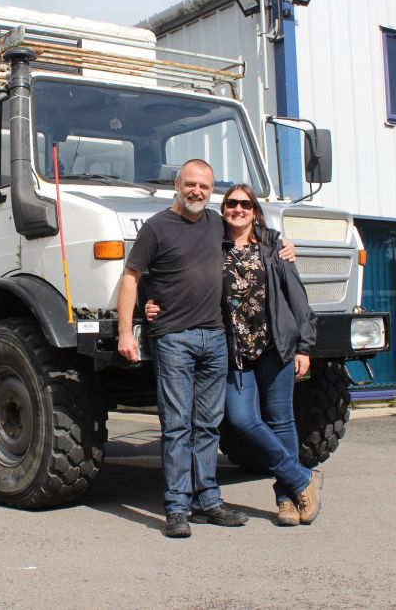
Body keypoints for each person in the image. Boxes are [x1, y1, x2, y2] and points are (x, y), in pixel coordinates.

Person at [147, 183, 322, 526]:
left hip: (274, 347)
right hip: (234, 352)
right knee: (241, 419)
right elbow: (174, 271)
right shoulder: (212, 243)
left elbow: (297, 297)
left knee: (281, 420)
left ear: (255, 211)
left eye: (245, 204)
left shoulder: (273, 246)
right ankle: (302, 477)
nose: (238, 209)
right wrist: (151, 300)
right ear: (223, 209)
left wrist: (305, 346)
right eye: (231, 203)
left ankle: (287, 499)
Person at [117, 158, 247, 538]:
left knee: (207, 426)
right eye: (191, 184)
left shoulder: (216, 224)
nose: (197, 191)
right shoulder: (156, 227)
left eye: (204, 186)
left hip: (215, 337)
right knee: (176, 426)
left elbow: (251, 234)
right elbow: (131, 278)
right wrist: (126, 332)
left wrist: (283, 245)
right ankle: (177, 508)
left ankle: (208, 501)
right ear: (177, 185)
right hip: (173, 338)